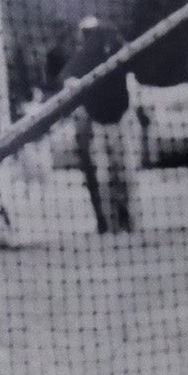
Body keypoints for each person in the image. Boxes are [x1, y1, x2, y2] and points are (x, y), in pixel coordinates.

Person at [62, 15, 137, 234]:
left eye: (92, 33)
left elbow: (131, 62)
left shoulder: (114, 51)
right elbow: (68, 79)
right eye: (86, 33)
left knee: (125, 175)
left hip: (121, 119)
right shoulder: (82, 57)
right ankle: (109, 224)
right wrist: (72, 85)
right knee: (104, 178)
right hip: (98, 124)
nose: (89, 37)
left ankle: (128, 221)